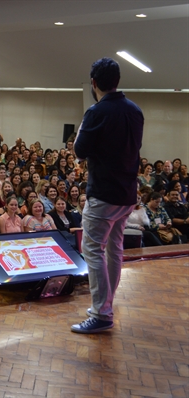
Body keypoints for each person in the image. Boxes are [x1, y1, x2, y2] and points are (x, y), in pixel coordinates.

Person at [71, 57, 143, 334]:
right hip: (126, 194)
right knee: (114, 249)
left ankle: (101, 313)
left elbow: (79, 150)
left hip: (103, 193)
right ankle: (107, 304)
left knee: (93, 250)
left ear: (93, 83)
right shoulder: (135, 110)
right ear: (118, 81)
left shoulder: (96, 112)